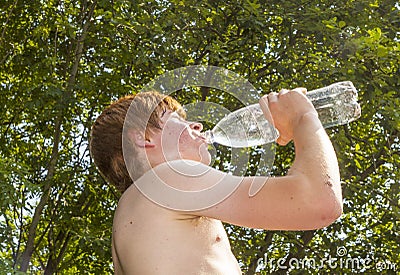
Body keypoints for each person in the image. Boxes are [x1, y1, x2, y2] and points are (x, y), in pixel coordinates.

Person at [90, 88, 342, 274]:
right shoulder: (169, 178)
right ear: (143, 138)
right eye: (176, 120)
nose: (197, 125)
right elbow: (319, 201)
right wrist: (303, 117)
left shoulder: (131, 218)